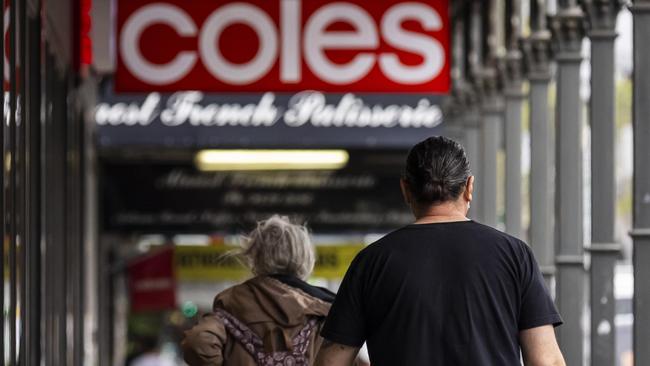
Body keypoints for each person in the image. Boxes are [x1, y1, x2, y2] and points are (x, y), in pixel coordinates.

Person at [315, 136, 565, 366]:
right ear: (469, 187)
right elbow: (545, 361)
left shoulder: (372, 262)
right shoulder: (514, 255)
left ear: (405, 190)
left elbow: (331, 362)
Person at [182, 215, 335, 365]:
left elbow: (197, 342)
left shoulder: (232, 302)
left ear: (255, 256)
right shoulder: (325, 308)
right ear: (305, 257)